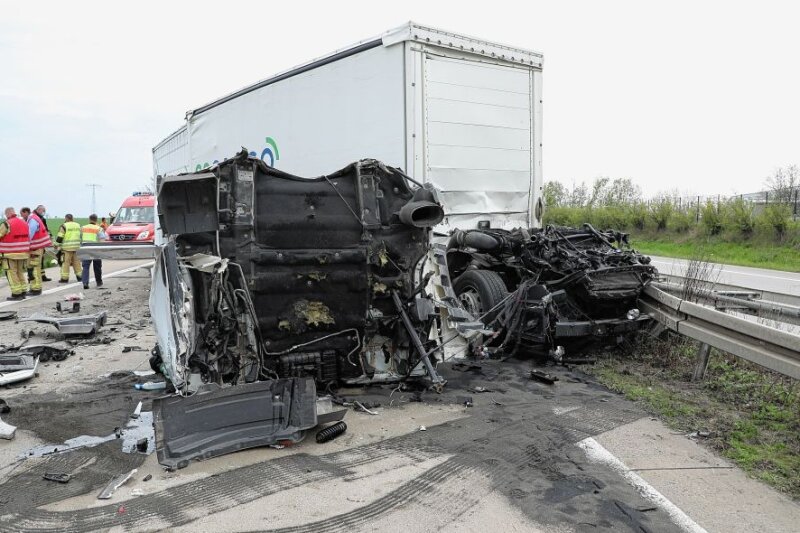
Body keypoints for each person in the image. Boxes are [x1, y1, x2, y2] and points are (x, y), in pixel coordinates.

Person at [0, 207, 31, 300]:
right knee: (20, 272)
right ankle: (23, 291)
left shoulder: (7, 223)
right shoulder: (24, 223)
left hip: (10, 254)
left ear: (7, 214)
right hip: (23, 253)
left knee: (11, 273)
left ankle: (16, 293)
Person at [20, 207, 52, 296]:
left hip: (35, 248)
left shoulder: (32, 220)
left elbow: (29, 234)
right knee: (33, 268)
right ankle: (34, 287)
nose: (22, 217)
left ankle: (36, 289)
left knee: (34, 269)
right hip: (36, 248)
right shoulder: (34, 218)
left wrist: (23, 244)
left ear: (26, 212)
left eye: (22, 214)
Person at [80, 214, 106, 289]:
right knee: (97, 266)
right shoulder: (99, 228)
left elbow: (80, 238)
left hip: (86, 248)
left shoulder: (83, 228)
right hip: (95, 249)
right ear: (96, 220)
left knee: (85, 266)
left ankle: (85, 283)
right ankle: (99, 282)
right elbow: (102, 240)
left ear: (89, 219)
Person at [55, 214, 82, 283]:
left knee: (65, 263)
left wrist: (56, 245)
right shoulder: (78, 225)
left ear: (66, 218)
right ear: (72, 218)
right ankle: (80, 277)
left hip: (67, 248)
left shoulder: (64, 226)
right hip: (76, 247)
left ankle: (64, 278)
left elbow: (60, 238)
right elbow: (81, 235)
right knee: (77, 263)